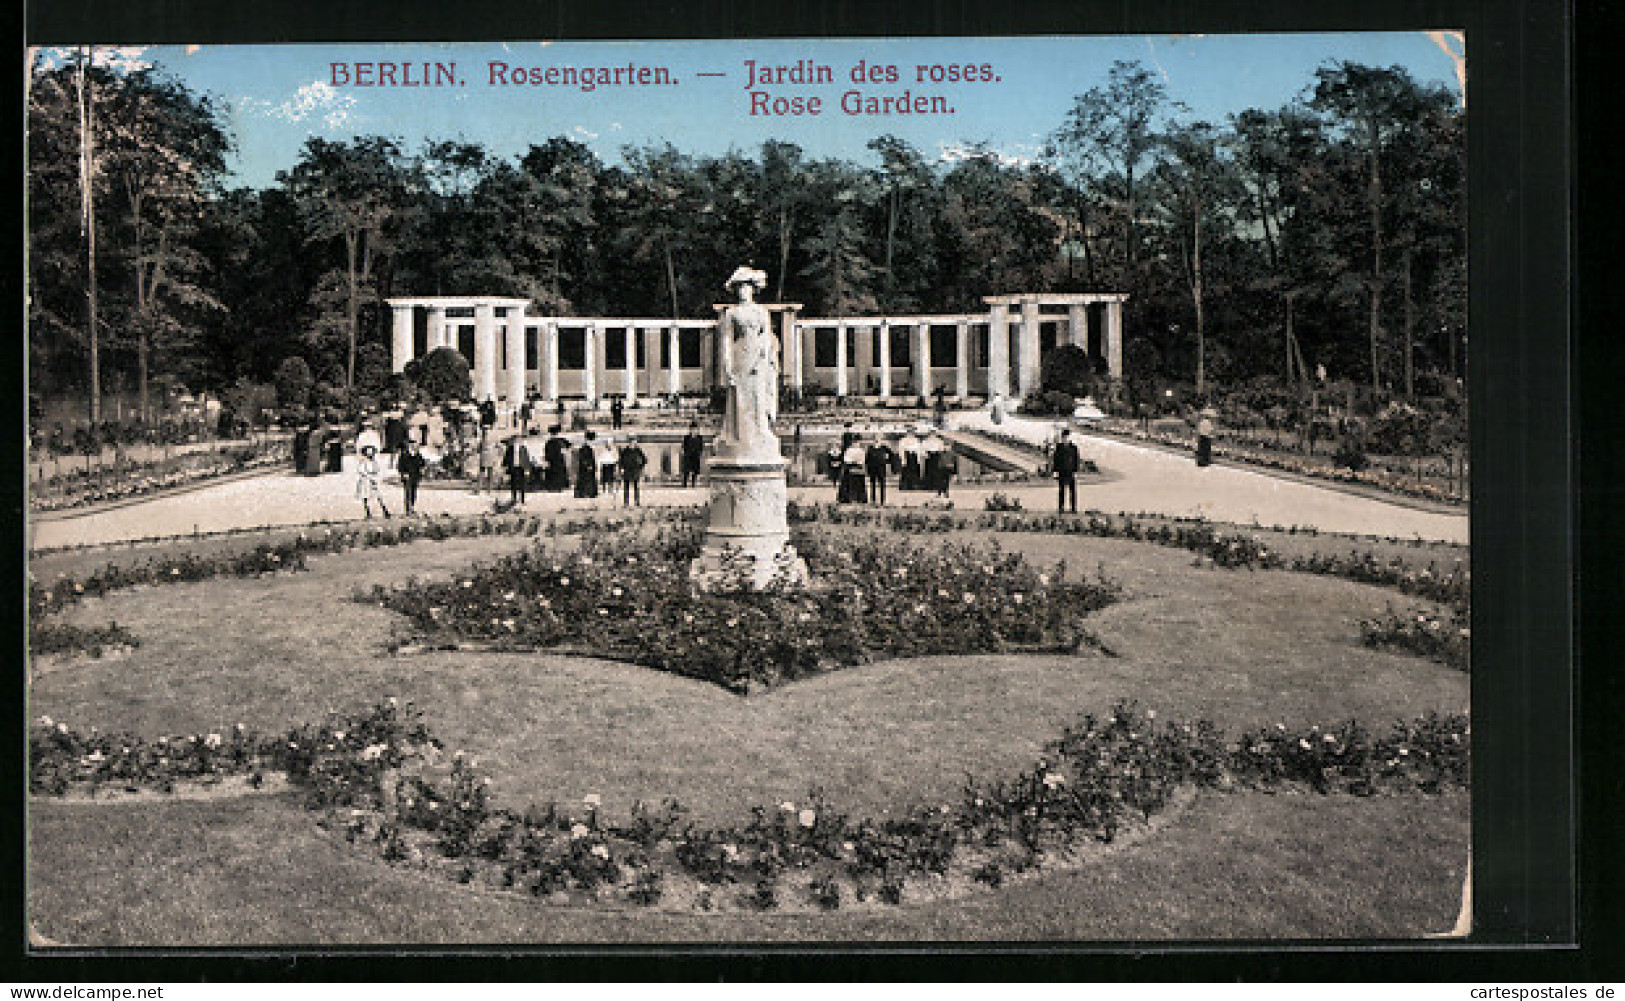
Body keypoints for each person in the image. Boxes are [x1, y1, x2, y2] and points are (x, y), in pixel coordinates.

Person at [715, 266, 778, 462]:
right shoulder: (732, 313)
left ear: (753, 289)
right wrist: (727, 365)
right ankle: (740, 435)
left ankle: (761, 431)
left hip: (757, 354)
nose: (743, 291)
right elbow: (726, 339)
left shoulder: (761, 312)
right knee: (740, 396)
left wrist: (764, 356)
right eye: (740, 287)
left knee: (758, 393)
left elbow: (767, 336)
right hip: (739, 355)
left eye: (746, 286)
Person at [355, 444, 391, 519]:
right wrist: (369, 477)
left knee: (378, 495)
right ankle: (367, 512)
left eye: (372, 452)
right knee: (365, 496)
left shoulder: (374, 462)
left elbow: (377, 470)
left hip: (373, 480)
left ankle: (385, 510)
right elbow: (361, 471)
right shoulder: (363, 462)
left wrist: (375, 477)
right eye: (368, 452)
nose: (370, 454)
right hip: (365, 480)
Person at [1052, 427, 1082, 513]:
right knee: (1061, 490)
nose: (1065, 438)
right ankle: (1061, 508)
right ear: (1062, 437)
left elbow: (1076, 460)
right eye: (1064, 437)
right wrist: (1055, 471)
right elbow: (1056, 459)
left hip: (1071, 471)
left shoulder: (1074, 448)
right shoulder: (1059, 447)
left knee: (1072, 491)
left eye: (1067, 437)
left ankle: (1073, 508)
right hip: (1062, 471)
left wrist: (1076, 471)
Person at [397, 440, 426, 515]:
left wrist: (422, 470)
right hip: (407, 477)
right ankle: (407, 509)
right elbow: (400, 466)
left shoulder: (418, 455)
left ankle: (412, 507)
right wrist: (403, 473)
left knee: (414, 492)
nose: (413, 447)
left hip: (415, 476)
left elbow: (422, 464)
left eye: (415, 446)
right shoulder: (404, 455)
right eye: (411, 445)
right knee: (408, 492)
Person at [865, 436, 895, 506]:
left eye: (878, 439)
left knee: (882, 484)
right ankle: (873, 500)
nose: (877, 440)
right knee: (873, 485)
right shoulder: (870, 448)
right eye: (875, 439)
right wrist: (867, 468)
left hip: (881, 468)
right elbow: (867, 459)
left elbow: (892, 455)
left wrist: (887, 461)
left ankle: (882, 501)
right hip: (872, 468)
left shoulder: (884, 448)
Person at [619, 435, 648, 506]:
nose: (633, 442)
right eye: (632, 441)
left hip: (635, 470)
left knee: (636, 487)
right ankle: (626, 502)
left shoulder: (638, 450)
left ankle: (637, 501)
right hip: (627, 470)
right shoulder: (625, 450)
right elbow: (621, 461)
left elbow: (644, 459)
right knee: (626, 487)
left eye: (635, 441)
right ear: (629, 442)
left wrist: (640, 467)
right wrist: (622, 468)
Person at [839, 435, 868, 504]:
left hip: (859, 469)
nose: (856, 444)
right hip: (851, 468)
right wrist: (853, 461)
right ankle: (849, 498)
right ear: (852, 443)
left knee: (860, 485)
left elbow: (862, 460)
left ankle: (860, 499)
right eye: (854, 442)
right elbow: (846, 459)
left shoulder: (861, 450)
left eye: (857, 442)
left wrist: (858, 462)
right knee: (850, 484)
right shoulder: (849, 450)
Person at [543, 424, 572, 492]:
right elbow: (569, 447)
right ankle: (559, 486)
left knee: (554, 473)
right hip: (559, 460)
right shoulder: (561, 440)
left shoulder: (549, 442)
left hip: (553, 461)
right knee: (559, 473)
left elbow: (546, 453)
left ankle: (553, 487)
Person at [503, 435, 528, 505]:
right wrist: (505, 467)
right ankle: (514, 498)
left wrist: (526, 469)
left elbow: (526, 459)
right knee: (513, 483)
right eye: (516, 440)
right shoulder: (510, 449)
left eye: (519, 440)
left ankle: (522, 499)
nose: (517, 442)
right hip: (513, 467)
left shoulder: (523, 448)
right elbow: (506, 458)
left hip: (521, 467)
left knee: (522, 483)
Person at [680, 420, 706, 487]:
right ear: (690, 430)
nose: (694, 430)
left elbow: (701, 446)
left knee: (695, 470)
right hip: (688, 455)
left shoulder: (700, 437)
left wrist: (700, 453)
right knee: (686, 470)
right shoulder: (687, 437)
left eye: (695, 429)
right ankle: (685, 483)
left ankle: (693, 483)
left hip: (696, 455)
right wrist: (684, 452)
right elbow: (684, 446)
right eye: (692, 429)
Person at [575, 430, 600, 498]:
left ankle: (589, 493)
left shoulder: (588, 447)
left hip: (588, 467)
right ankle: (584, 493)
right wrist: (588, 465)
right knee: (586, 480)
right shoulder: (584, 448)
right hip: (586, 468)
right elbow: (583, 458)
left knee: (589, 480)